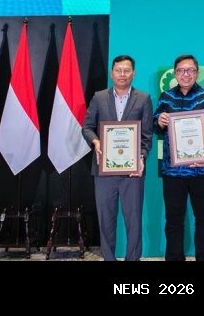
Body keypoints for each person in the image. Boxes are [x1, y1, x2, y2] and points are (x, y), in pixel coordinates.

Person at [82, 54, 153, 261]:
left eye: (127, 70)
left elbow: (147, 135)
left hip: (133, 171)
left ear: (134, 73)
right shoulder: (99, 97)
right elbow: (87, 127)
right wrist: (96, 141)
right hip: (104, 170)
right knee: (105, 220)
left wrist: (141, 157)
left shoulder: (143, 99)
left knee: (134, 220)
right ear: (112, 73)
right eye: (118, 70)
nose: (122, 74)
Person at [154, 54, 204, 261]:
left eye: (191, 70)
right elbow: (156, 126)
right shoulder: (165, 97)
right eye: (181, 70)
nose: (186, 74)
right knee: (173, 219)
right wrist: (159, 121)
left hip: (202, 169)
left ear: (197, 73)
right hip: (173, 171)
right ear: (175, 73)